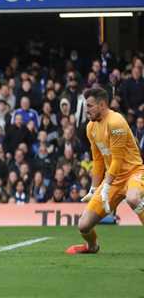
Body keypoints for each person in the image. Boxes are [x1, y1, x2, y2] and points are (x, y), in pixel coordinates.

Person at [66, 88, 144, 255]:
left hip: (134, 173)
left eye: (90, 106)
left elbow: (117, 159)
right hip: (113, 179)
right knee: (83, 226)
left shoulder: (116, 122)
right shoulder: (90, 127)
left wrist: (106, 185)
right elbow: (99, 160)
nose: (86, 110)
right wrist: (94, 189)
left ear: (102, 105)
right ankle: (92, 247)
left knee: (133, 198)